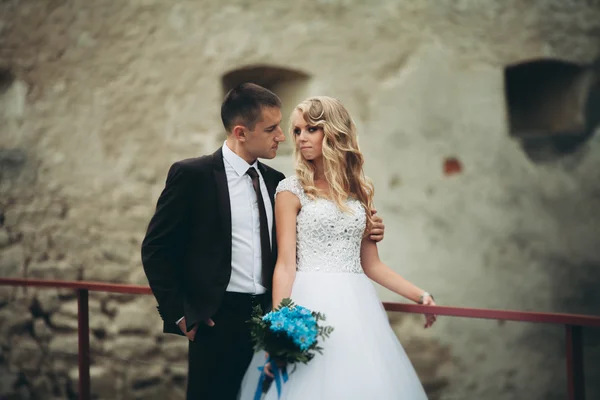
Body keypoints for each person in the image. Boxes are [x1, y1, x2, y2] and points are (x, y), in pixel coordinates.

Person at [140, 83, 386, 400]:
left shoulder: (276, 182)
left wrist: (368, 227)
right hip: (217, 319)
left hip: (270, 316)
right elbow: (155, 248)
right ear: (241, 133)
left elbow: (310, 236)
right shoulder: (192, 175)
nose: (282, 137)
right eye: (272, 129)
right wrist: (179, 313)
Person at [240, 96, 437, 399]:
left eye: (311, 129)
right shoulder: (290, 190)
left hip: (358, 310)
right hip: (308, 304)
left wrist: (420, 295)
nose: (301, 138)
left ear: (332, 132)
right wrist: (279, 328)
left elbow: (372, 265)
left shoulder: (360, 191)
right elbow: (285, 265)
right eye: (296, 131)